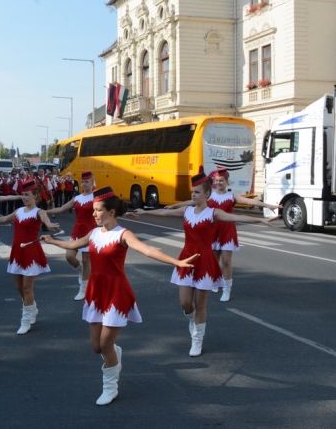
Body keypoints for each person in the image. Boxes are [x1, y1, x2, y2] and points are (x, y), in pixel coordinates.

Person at [43, 186, 197, 405]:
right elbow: (74, 244)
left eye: (97, 210)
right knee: (97, 347)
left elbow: (148, 250)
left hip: (116, 292)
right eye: (93, 210)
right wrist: (53, 242)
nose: (93, 214)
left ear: (111, 212)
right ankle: (114, 353)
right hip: (96, 293)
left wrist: (177, 262)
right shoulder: (94, 233)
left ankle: (110, 387)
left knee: (104, 344)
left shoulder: (123, 234)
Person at [128, 167, 279, 356]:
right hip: (186, 259)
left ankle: (197, 340)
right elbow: (164, 214)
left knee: (201, 304)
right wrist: (142, 212)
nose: (193, 195)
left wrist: (260, 221)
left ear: (207, 193)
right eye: (192, 192)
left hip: (205, 261)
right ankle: (192, 319)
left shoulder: (213, 213)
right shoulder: (187, 210)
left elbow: (235, 217)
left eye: (197, 192)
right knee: (185, 303)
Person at [164, 167, 282, 302]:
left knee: (226, 261)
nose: (219, 183)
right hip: (211, 230)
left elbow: (249, 202)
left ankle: (227, 288)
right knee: (213, 259)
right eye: (216, 180)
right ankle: (213, 280)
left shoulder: (231, 197)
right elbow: (191, 202)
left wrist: (268, 205)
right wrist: (174, 206)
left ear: (227, 182)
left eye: (221, 180)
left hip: (227, 231)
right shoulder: (210, 196)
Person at [0, 178, 59, 334]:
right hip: (17, 251)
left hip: (31, 251)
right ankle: (32, 307)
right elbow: (3, 219)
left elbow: (45, 219)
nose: (24, 197)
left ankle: (26, 319)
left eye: (27, 194)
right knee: (19, 287)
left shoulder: (39, 211)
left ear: (35, 195)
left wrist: (49, 225)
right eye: (22, 194)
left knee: (27, 287)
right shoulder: (18, 211)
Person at [46, 171, 98, 300]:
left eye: (87, 182)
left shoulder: (96, 198)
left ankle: (84, 289)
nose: (84, 184)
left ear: (92, 183)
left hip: (90, 231)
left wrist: (125, 213)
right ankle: (79, 270)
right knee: (69, 256)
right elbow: (60, 209)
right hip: (77, 231)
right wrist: (42, 212)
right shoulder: (77, 198)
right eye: (83, 182)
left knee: (87, 261)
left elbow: (110, 210)